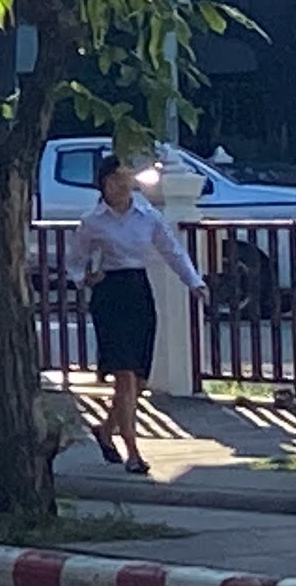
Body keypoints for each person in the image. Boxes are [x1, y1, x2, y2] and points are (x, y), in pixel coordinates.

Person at [70, 155, 205, 475]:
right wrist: (85, 278)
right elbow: (74, 261)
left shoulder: (147, 216)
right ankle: (132, 450)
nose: (120, 185)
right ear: (102, 184)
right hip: (110, 294)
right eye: (113, 180)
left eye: (125, 178)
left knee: (139, 377)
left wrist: (194, 282)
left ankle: (106, 430)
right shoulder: (92, 221)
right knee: (124, 375)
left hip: (139, 291)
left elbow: (172, 250)